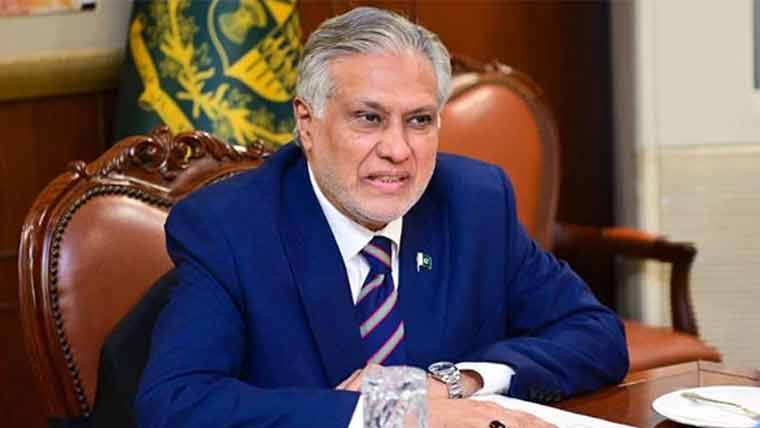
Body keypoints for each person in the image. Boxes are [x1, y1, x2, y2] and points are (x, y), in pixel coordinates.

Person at [136, 6, 628, 428]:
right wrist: (391, 412)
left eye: (419, 121)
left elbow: (596, 335)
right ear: (307, 123)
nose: (397, 150)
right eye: (369, 118)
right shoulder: (229, 227)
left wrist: (457, 381)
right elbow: (176, 403)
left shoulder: (474, 202)